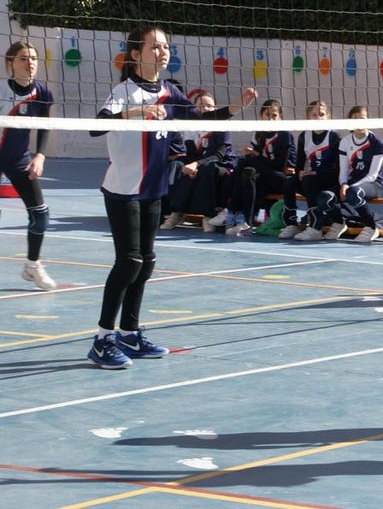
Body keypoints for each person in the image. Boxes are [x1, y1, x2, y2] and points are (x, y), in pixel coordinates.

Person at [89, 25, 257, 369]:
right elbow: (96, 125)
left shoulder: (170, 91)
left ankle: (129, 333)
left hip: (152, 189)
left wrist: (235, 107)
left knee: (145, 261)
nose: (163, 52)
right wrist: (136, 113)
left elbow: (201, 117)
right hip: (123, 189)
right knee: (128, 262)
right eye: (155, 47)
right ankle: (103, 339)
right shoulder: (125, 91)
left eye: (165, 46)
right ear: (135, 54)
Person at [2, 41, 56, 290]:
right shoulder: (2, 90)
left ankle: (32, 266)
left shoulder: (42, 93)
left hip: (19, 159)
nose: (30, 63)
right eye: (23, 58)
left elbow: (44, 126)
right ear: (10, 63)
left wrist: (40, 155)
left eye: (33, 58)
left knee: (40, 215)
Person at [208, 99, 295, 236]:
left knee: (245, 161)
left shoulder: (284, 134)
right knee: (248, 171)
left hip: (279, 178)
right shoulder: (259, 133)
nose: (271, 119)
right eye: (267, 115)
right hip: (263, 177)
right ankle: (246, 223)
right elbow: (256, 163)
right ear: (261, 116)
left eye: (274, 116)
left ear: (281, 117)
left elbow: (279, 166)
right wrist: (254, 156)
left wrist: (255, 155)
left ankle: (230, 210)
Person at [159, 92, 236, 231]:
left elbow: (218, 156)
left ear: (215, 108)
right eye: (200, 105)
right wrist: (191, 166)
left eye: (209, 105)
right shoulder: (191, 127)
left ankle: (208, 215)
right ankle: (176, 212)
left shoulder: (222, 126)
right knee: (177, 165)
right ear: (194, 108)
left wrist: (196, 165)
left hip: (222, 166)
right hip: (199, 163)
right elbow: (191, 154)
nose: (205, 108)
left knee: (207, 169)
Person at [311, 106, 383, 242]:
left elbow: (373, 175)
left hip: (372, 184)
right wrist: (344, 184)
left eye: (362, 118)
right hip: (351, 184)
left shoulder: (377, 142)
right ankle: (339, 223)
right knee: (324, 198)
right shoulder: (345, 142)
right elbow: (344, 170)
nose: (359, 122)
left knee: (353, 193)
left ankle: (371, 227)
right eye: (355, 119)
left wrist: (350, 187)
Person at [280, 100, 342, 240]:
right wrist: (299, 173)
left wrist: (315, 173)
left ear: (328, 117)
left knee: (309, 180)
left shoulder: (334, 137)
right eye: (314, 114)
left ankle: (315, 227)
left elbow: (338, 170)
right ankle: (291, 224)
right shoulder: (304, 136)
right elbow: (299, 164)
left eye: (322, 114)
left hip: (330, 181)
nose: (318, 117)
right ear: (308, 117)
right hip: (312, 180)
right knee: (290, 182)